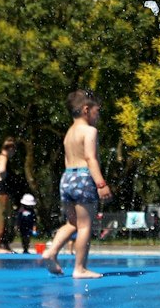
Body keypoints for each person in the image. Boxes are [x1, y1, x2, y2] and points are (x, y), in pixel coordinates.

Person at [42, 90, 111, 280]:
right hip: (83, 177)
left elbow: (66, 160)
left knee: (72, 223)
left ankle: (51, 251)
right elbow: (90, 158)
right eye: (97, 111)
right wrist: (100, 183)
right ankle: (80, 268)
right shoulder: (90, 131)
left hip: (67, 177)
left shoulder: (68, 133)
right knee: (85, 226)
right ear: (86, 110)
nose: (98, 115)